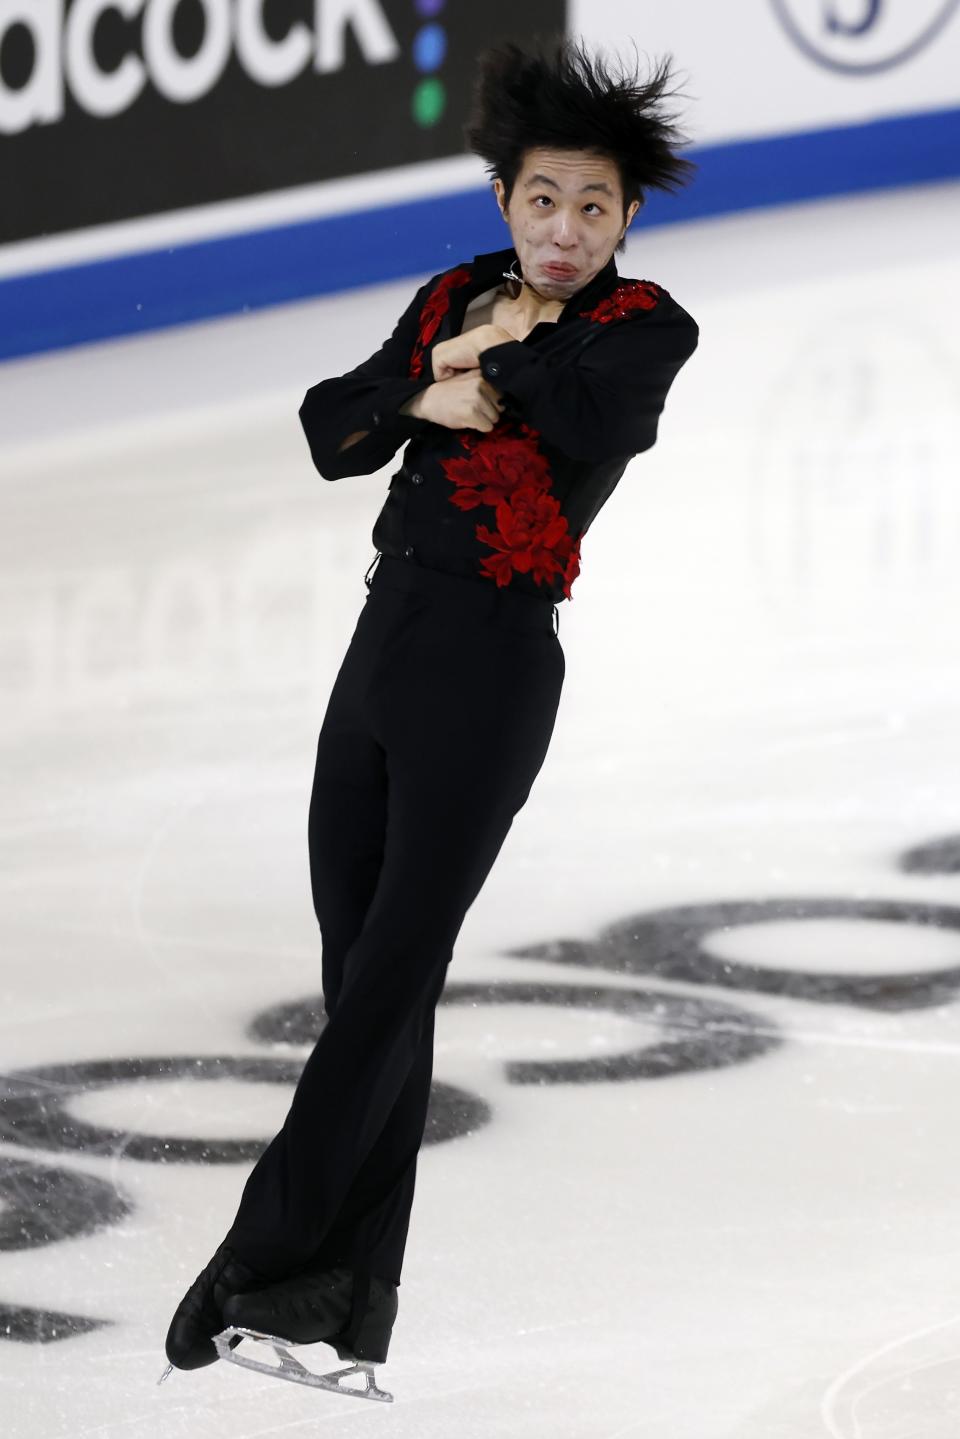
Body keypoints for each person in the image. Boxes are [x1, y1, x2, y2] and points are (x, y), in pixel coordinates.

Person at [162, 32, 700, 1383]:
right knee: (365, 983)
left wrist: (492, 367)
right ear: (504, 200)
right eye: (541, 199)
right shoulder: (458, 292)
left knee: (391, 979)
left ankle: (256, 1264)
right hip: (383, 644)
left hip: (493, 670)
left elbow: (592, 421)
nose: (565, 229)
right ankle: (337, 1310)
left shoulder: (646, 330)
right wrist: (425, 381)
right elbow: (330, 431)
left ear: (628, 214)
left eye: (592, 205)